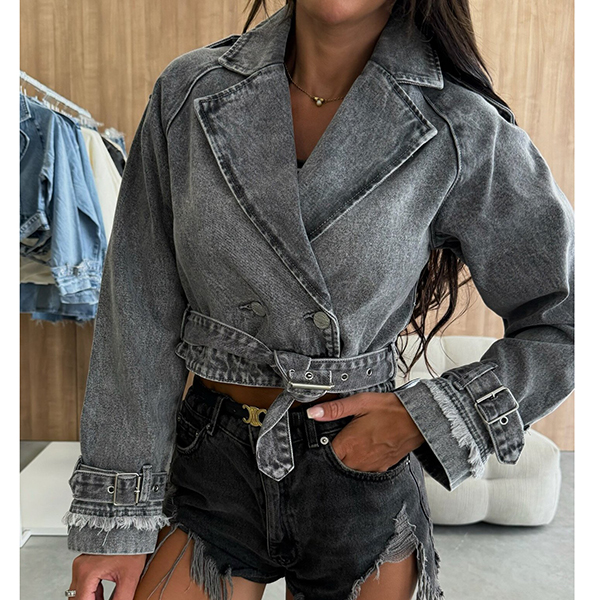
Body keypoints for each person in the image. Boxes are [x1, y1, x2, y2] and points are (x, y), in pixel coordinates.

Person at [63, 1, 575, 599]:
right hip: (212, 460)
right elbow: (137, 312)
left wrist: (432, 416)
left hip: (358, 470)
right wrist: (116, 518)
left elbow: (566, 320)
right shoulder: (191, 93)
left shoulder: (461, 124)